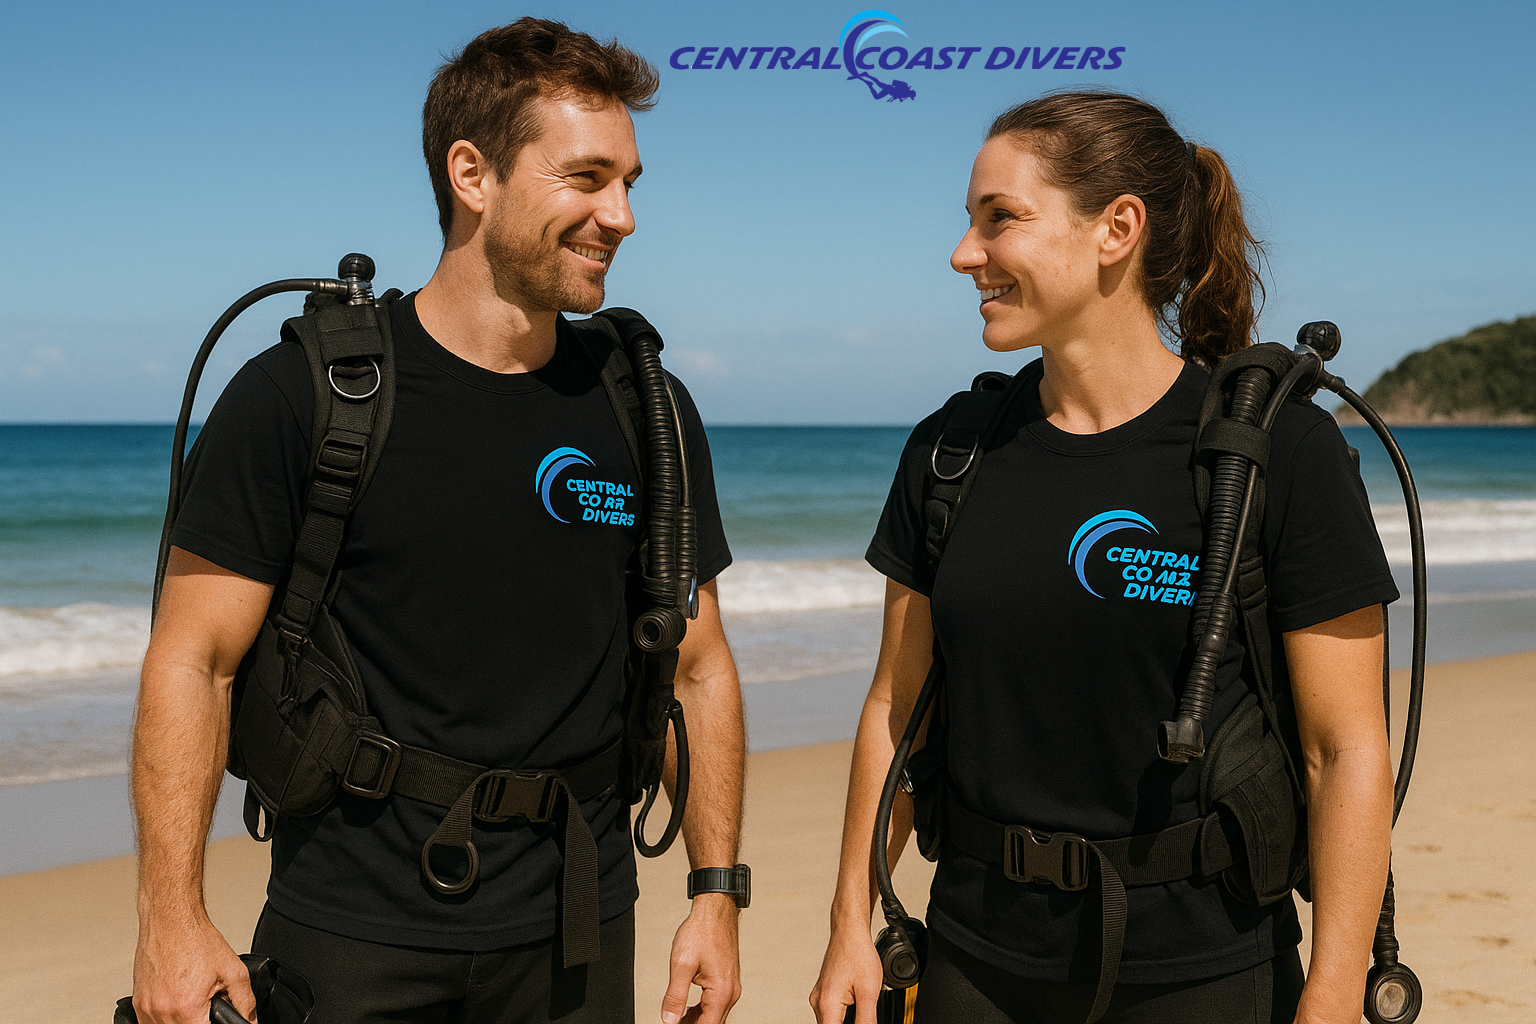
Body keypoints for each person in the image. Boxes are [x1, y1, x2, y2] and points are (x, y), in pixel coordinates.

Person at [131, 19, 746, 1024]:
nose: (622, 215)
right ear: (473, 174)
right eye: (588, 178)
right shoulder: (303, 395)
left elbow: (699, 660)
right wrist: (170, 916)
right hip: (354, 928)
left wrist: (717, 896)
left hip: (578, 928)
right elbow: (192, 658)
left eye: (631, 182)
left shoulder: (647, 408)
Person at [811, 91, 1398, 1024]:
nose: (965, 253)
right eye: (969, 221)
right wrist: (850, 918)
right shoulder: (950, 452)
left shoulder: (1278, 453)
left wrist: (1331, 993)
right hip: (976, 958)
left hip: (1205, 968)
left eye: (999, 219)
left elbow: (1345, 749)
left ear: (1115, 229)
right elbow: (894, 706)